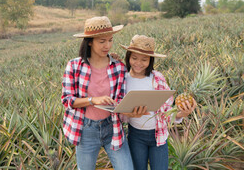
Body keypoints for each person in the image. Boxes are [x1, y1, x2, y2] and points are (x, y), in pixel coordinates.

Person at [61, 16, 135, 170]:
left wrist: (130, 111)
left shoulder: (119, 67)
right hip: (85, 130)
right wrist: (93, 100)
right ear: (90, 41)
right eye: (102, 41)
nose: (107, 45)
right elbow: (67, 100)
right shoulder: (74, 66)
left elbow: (121, 99)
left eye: (110, 40)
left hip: (112, 127)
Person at [119, 35, 196, 170]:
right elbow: (120, 112)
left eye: (144, 59)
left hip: (158, 134)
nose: (138, 63)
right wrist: (129, 114)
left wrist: (181, 114)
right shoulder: (123, 80)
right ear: (128, 57)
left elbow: (166, 110)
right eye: (134, 58)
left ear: (151, 60)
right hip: (135, 135)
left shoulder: (157, 78)